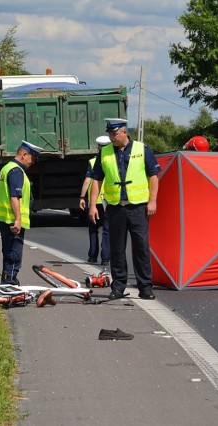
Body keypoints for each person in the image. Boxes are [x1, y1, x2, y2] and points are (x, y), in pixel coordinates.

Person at [88, 118, 161, 300]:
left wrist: (153, 201)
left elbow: (153, 176)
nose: (112, 137)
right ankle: (118, 287)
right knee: (117, 249)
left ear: (124, 132)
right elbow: (96, 179)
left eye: (115, 134)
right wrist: (92, 205)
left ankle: (145, 287)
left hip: (138, 208)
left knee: (141, 247)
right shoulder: (104, 153)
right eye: (110, 134)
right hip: (115, 208)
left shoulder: (141, 149)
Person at [0, 140, 43, 285]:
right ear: (24, 155)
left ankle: (7, 282)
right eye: (33, 158)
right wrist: (18, 219)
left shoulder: (7, 168)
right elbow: (15, 196)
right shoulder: (16, 171)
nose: (33, 162)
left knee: (8, 252)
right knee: (14, 254)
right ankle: (11, 284)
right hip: (12, 220)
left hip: (5, 218)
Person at [79, 135, 111, 266]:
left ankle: (92, 256)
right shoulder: (113, 160)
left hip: (94, 201)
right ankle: (105, 258)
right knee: (107, 230)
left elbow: (87, 181)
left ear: (98, 148)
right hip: (108, 201)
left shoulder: (93, 162)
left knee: (93, 229)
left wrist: (82, 197)